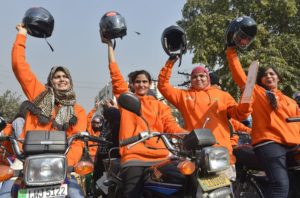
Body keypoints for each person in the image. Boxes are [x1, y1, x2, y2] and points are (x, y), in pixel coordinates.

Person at [0, 23, 87, 198]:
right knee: (6, 193)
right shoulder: (39, 95)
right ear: (51, 81)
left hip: (59, 165)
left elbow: (77, 141)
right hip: (26, 162)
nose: (61, 79)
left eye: (65, 77)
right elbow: (19, 66)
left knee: (77, 195)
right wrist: (22, 35)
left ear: (70, 82)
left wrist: (66, 164)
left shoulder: (78, 110)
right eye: (57, 76)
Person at [101, 35, 186, 198]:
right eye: (138, 82)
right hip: (135, 156)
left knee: (186, 180)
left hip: (161, 157)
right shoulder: (127, 101)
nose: (141, 84)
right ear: (132, 84)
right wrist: (110, 47)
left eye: (145, 82)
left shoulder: (159, 105)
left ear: (149, 84)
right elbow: (116, 77)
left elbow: (171, 126)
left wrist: (188, 135)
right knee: (131, 193)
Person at [158, 57, 252, 180]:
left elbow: (240, 114)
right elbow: (163, 85)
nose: (198, 78)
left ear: (208, 78)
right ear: (191, 80)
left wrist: (247, 98)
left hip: (221, 152)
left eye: (202, 76)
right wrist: (170, 62)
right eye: (194, 77)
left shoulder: (223, 96)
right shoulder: (183, 96)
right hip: (195, 153)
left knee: (225, 191)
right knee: (197, 191)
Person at [226, 46, 300, 198]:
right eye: (265, 75)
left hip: (293, 144)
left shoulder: (291, 101)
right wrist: (231, 50)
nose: (269, 77)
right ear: (260, 79)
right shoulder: (258, 93)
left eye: (272, 74)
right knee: (280, 185)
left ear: (279, 78)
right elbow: (239, 75)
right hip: (269, 143)